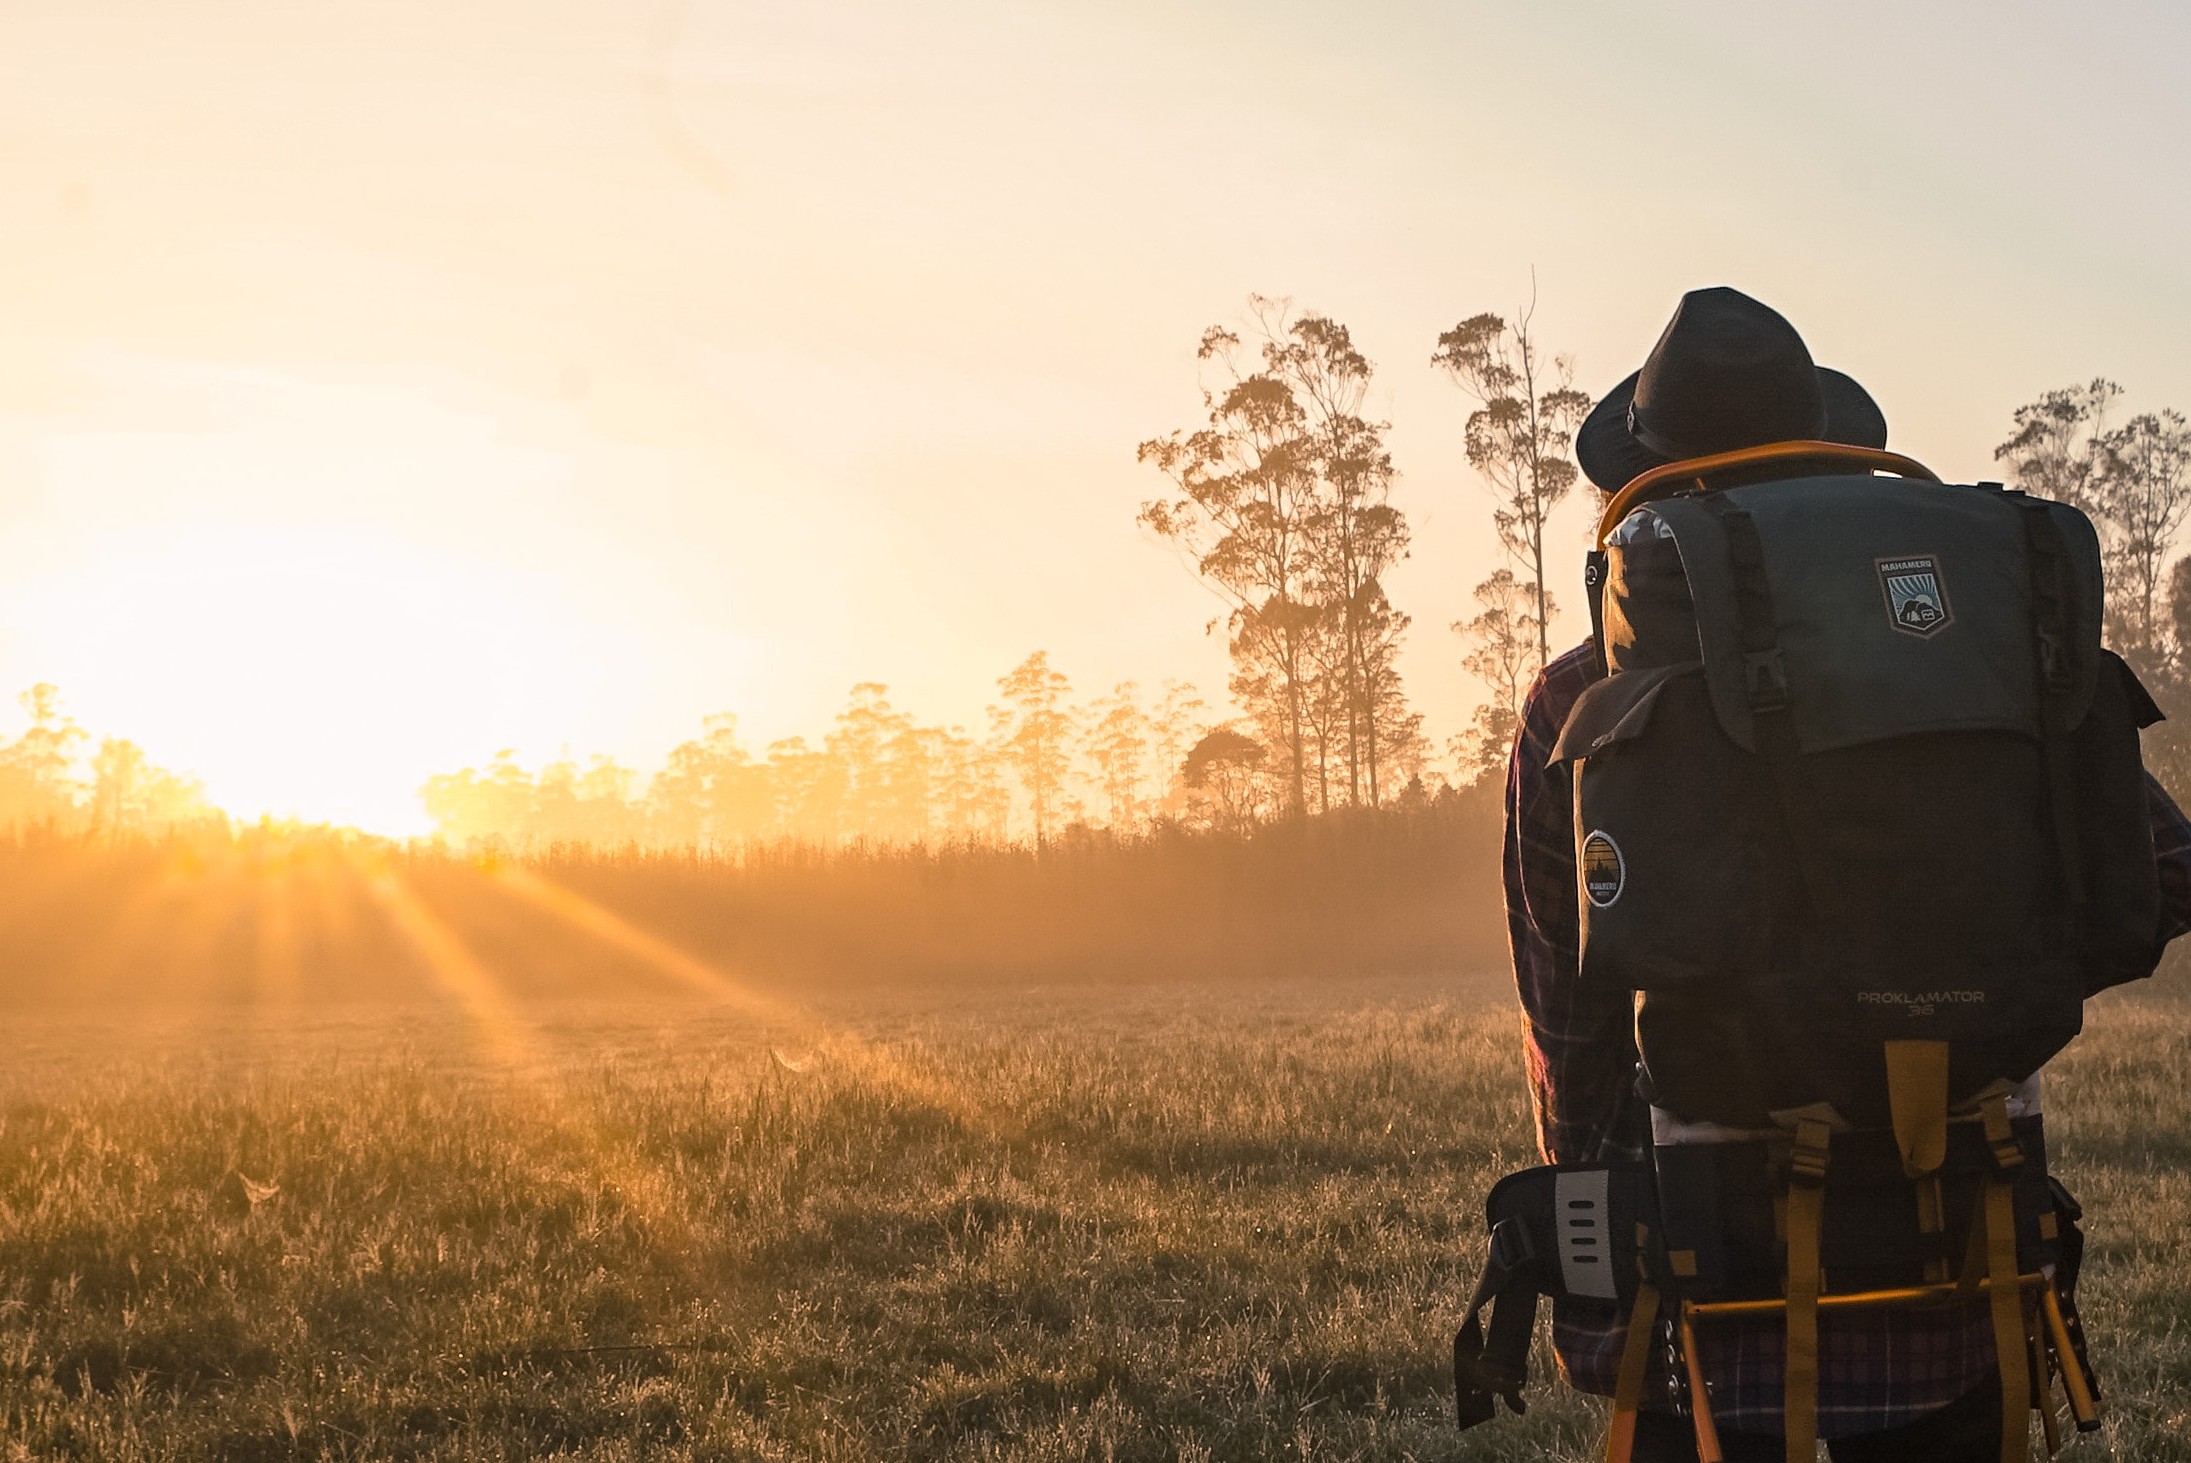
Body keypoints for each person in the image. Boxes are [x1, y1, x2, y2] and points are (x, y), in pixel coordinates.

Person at [1503, 286, 2191, 1460]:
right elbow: (2160, 875)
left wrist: (1585, 1234)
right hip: (1960, 1241)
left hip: (1701, 1271)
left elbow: (1568, 1018)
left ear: (1656, 478)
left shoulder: (1580, 700)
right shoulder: (1984, 657)